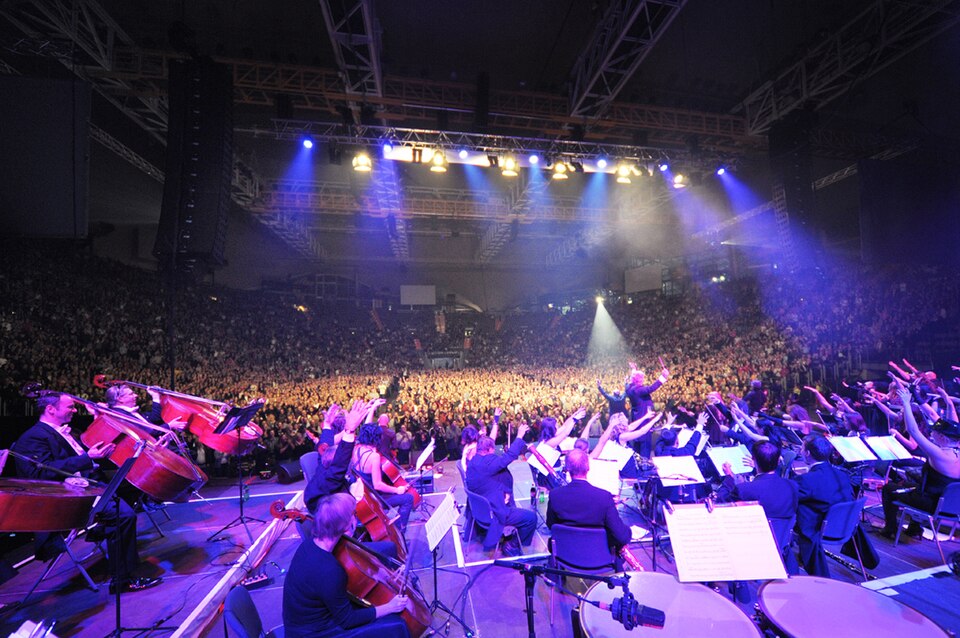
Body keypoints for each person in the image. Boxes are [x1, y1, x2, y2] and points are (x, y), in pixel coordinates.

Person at [12, 392, 161, 593]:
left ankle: (102, 531)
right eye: (70, 407)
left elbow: (90, 458)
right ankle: (123, 580)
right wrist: (87, 458)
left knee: (135, 485)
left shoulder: (69, 431)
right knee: (123, 515)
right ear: (51, 409)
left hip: (92, 485)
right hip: (69, 496)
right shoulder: (33, 437)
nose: (75, 410)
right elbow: (39, 473)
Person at [282, 493, 410, 638]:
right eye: (354, 514)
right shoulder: (329, 570)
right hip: (317, 633)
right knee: (397, 624)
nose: (356, 518)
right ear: (345, 526)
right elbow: (348, 620)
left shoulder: (309, 544)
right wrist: (390, 607)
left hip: (300, 625)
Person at [876, 379, 960, 538]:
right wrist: (948, 403)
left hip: (932, 503)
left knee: (889, 489)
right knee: (912, 484)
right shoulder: (956, 449)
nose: (932, 433)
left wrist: (906, 404)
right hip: (951, 504)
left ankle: (890, 529)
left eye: (935, 432)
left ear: (942, 437)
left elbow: (913, 431)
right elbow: (953, 425)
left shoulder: (940, 454)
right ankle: (915, 529)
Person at [716, 440, 800, 574]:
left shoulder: (745, 489)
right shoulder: (792, 486)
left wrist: (729, 478)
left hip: (750, 544)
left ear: (753, 460)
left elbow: (720, 503)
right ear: (778, 460)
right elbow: (770, 491)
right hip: (780, 542)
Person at [546, 449, 633, 567]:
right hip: (600, 559)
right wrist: (629, 531)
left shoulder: (555, 495)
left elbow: (551, 525)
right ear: (588, 467)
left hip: (566, 557)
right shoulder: (604, 497)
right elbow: (621, 536)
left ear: (567, 468)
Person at [465, 423, 537, 555]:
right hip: (494, 512)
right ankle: (512, 546)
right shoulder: (488, 464)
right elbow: (509, 457)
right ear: (489, 450)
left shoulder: (473, 461)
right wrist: (519, 436)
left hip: (480, 510)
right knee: (531, 518)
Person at [795, 434, 853, 577]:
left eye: (802, 448)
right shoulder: (843, 475)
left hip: (820, 529)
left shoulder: (808, 480)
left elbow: (789, 496)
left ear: (807, 453)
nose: (800, 451)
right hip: (845, 527)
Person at [353, 423, 414, 534]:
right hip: (376, 499)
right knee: (408, 498)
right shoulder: (374, 457)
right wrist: (397, 490)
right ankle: (398, 532)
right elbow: (377, 485)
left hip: (365, 496)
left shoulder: (356, 449)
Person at [624, 359, 670, 457]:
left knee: (637, 444)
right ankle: (644, 463)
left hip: (636, 418)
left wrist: (634, 369)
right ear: (640, 380)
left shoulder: (629, 388)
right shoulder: (639, 390)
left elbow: (631, 381)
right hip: (643, 419)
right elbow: (651, 388)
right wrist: (663, 377)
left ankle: (637, 462)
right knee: (644, 445)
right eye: (642, 379)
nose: (644, 380)